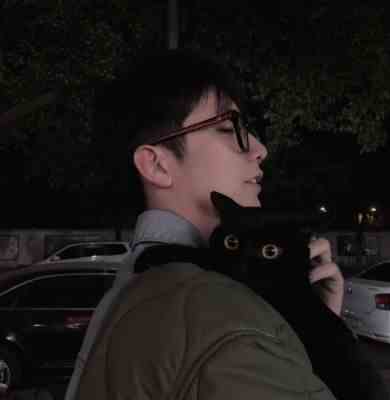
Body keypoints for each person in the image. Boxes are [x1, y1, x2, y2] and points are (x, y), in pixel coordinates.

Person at [67, 48, 343, 399]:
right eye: (229, 128)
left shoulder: (132, 289)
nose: (260, 149)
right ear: (157, 165)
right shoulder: (213, 311)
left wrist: (315, 325)